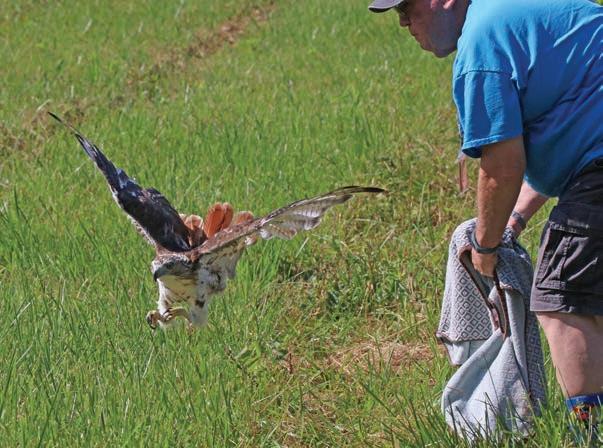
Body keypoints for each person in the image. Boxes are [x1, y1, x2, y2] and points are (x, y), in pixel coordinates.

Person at [368, 0, 603, 437]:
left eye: (408, 8)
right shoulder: (508, 14)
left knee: (561, 298)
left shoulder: (481, 47)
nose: (403, 23)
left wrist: (486, 246)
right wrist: (513, 221)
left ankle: (591, 435)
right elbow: (570, 126)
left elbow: (502, 166)